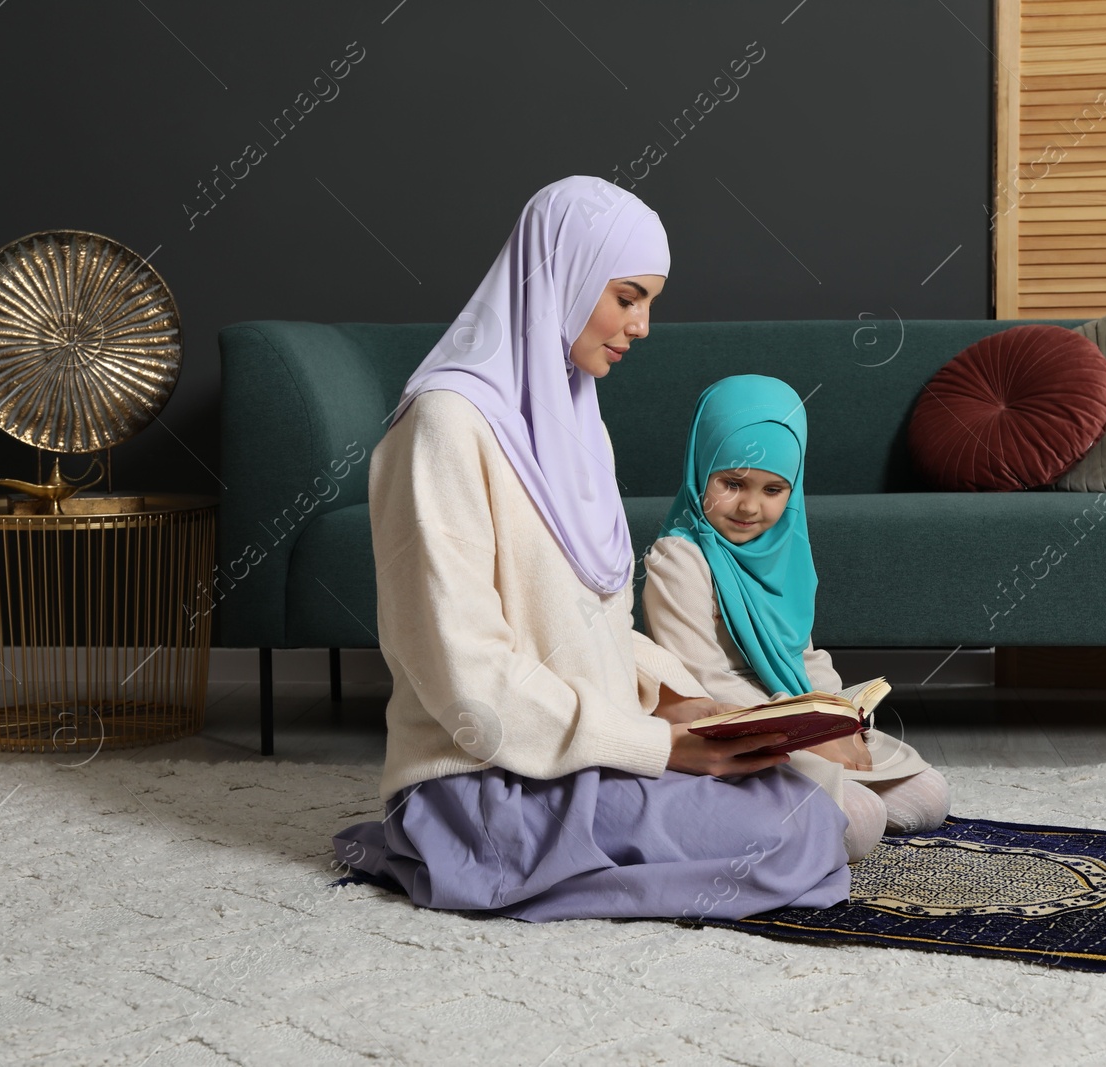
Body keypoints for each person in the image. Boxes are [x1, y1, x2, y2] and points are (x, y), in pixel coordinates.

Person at [331, 177, 850, 922]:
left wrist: (683, 703)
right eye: (628, 296)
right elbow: (466, 681)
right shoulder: (443, 429)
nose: (640, 326)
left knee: (793, 798)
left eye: (649, 304)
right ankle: (462, 857)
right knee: (795, 834)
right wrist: (656, 747)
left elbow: (589, 619)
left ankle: (556, 857)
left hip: (582, 753)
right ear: (562, 276)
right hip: (485, 778)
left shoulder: (574, 416)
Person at [641, 375, 952, 863]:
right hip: (733, 723)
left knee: (932, 798)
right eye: (731, 483)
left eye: (773, 489)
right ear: (700, 472)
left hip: (797, 713)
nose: (749, 506)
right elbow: (701, 679)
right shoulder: (677, 558)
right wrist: (803, 727)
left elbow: (803, 655)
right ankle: (738, 811)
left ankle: (812, 795)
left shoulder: (786, 552)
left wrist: (839, 716)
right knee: (860, 823)